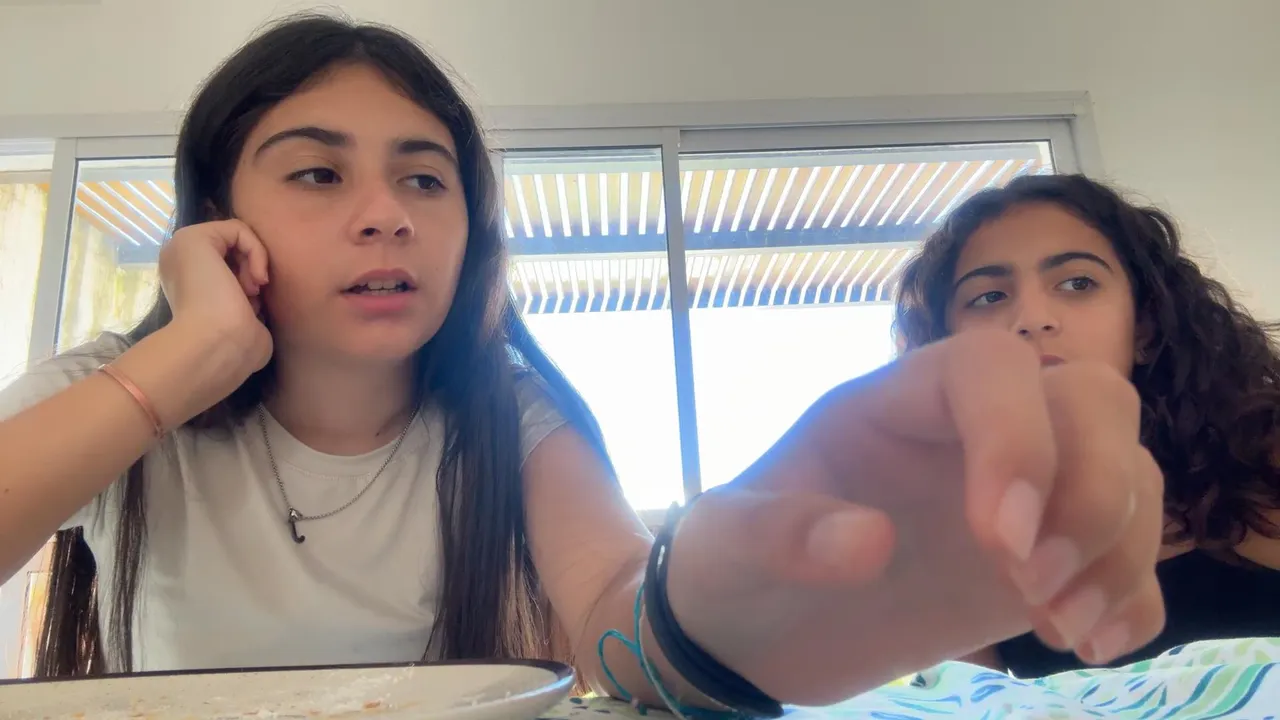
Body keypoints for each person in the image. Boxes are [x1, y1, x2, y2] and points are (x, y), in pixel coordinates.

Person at [0, 14, 1163, 710]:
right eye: (317, 173)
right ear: (214, 216)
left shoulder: (510, 416)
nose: (386, 214)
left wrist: (711, 608)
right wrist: (192, 352)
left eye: (423, 178)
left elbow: (614, 617)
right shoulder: (113, 389)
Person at [894, 173, 1280, 678]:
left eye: (1078, 283)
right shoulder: (951, 531)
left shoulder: (1260, 449)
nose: (1032, 318)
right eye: (989, 297)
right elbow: (972, 701)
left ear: (1144, 328)